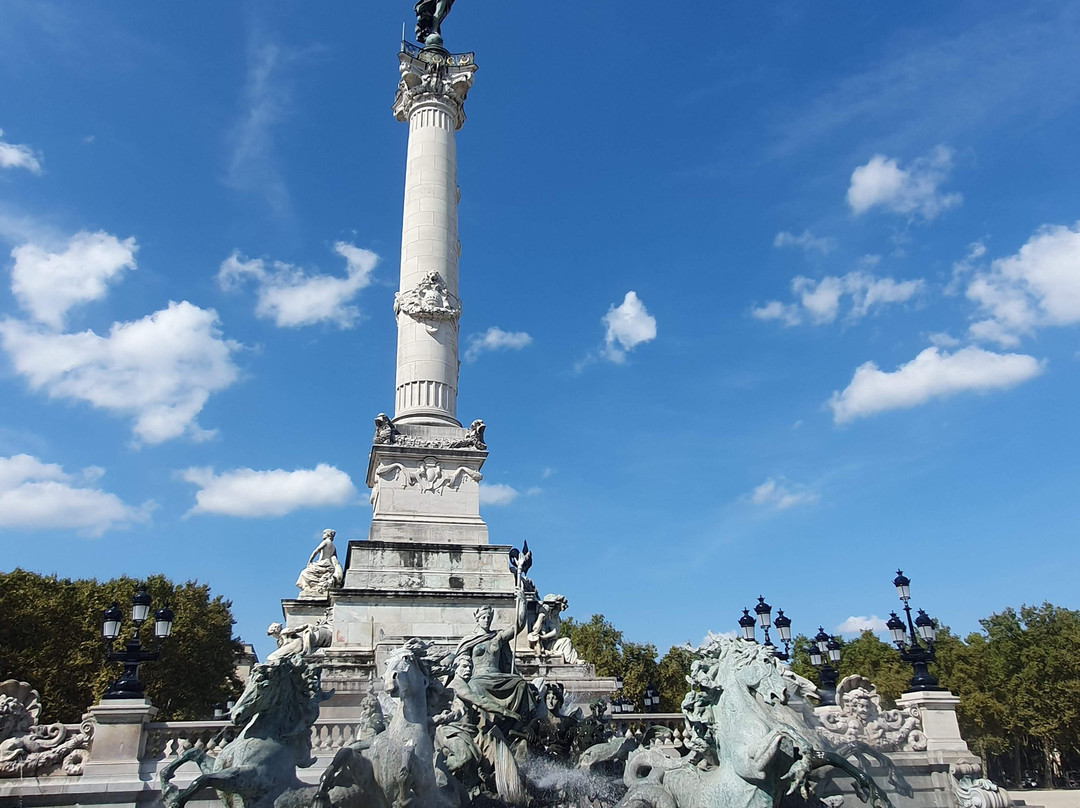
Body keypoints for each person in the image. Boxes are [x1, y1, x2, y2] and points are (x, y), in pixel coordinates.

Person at [454, 603, 535, 726]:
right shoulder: (470, 641)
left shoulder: (497, 637)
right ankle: (484, 724)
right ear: (477, 619)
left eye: (488, 618)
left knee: (521, 683)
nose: (486, 621)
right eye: (483, 618)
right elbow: (460, 661)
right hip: (478, 677)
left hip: (498, 676)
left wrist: (523, 602)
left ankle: (522, 723)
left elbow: (518, 626)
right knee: (475, 687)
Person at [295, 529, 344, 598]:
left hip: (322, 564)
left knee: (304, 572)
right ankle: (315, 586)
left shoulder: (325, 542)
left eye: (324, 533)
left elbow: (315, 551)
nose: (322, 535)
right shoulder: (333, 547)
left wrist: (309, 561)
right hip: (330, 565)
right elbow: (335, 559)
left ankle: (311, 587)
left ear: (327, 534)